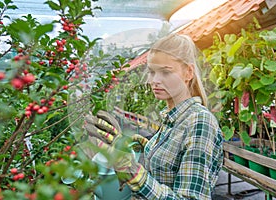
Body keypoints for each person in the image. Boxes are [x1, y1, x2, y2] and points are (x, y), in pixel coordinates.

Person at [84, 33, 223, 200]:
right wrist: (129, 143)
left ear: (188, 72)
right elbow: (169, 162)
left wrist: (134, 173)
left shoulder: (200, 123)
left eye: (165, 72)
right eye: (151, 71)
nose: (154, 80)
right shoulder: (173, 118)